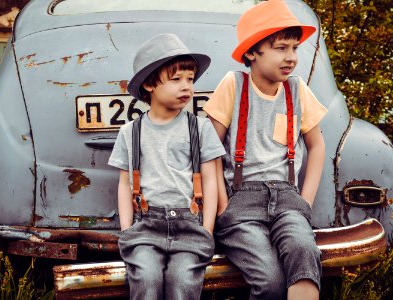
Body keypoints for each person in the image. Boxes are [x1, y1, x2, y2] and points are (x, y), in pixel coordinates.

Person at [203, 1, 327, 299]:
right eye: (281, 48)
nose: (291, 57)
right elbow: (208, 150)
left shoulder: (297, 90)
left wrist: (305, 202)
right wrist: (222, 205)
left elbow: (317, 145)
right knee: (269, 280)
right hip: (242, 202)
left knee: (304, 256)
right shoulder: (234, 85)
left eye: (295, 48)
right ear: (251, 52)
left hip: (288, 199)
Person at [108, 33, 225, 300]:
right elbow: (124, 186)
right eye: (176, 79)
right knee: (146, 279)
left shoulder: (200, 128)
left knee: (183, 282)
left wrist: (207, 230)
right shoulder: (130, 132)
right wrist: (127, 231)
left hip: (190, 225)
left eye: (190, 80)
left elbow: (210, 180)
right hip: (146, 227)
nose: (187, 87)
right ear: (149, 84)